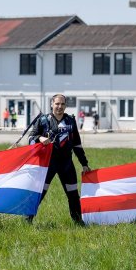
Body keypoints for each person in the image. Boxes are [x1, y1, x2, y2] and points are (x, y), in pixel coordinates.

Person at [29, 94, 91, 225]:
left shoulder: (70, 121)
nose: (59, 107)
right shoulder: (43, 120)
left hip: (66, 164)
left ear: (66, 106)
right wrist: (40, 138)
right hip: (47, 165)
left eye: (62, 104)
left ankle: (78, 222)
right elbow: (31, 138)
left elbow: (77, 144)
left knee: (73, 194)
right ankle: (27, 220)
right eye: (57, 104)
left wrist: (84, 164)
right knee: (39, 194)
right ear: (52, 104)